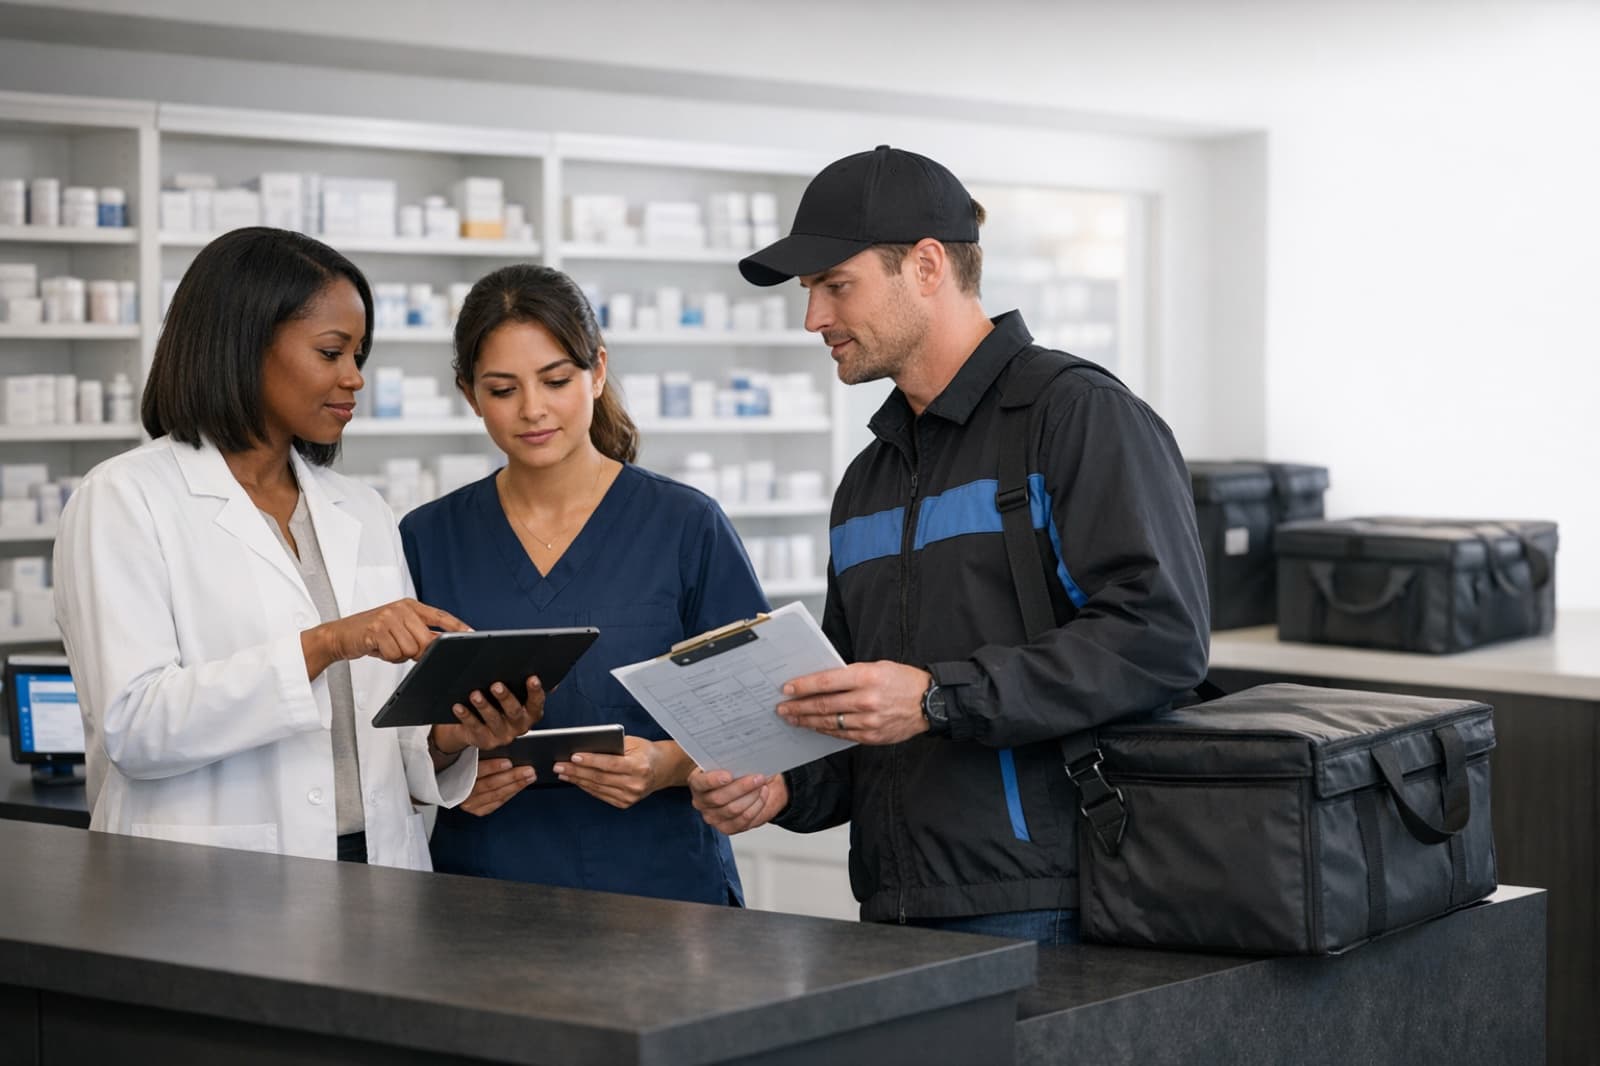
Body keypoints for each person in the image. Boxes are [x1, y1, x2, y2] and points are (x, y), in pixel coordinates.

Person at [687, 146, 1210, 944]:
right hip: (895, 907)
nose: (813, 319)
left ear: (926, 265)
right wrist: (784, 791)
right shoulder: (868, 479)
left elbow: (1161, 639)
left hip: (1054, 903)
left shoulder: (1076, 418)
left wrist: (938, 698)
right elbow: (859, 714)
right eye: (808, 293)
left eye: (836, 286)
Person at [53, 227, 536, 868]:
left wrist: (452, 738)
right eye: (331, 352)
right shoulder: (124, 499)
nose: (354, 378)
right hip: (208, 881)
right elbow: (134, 727)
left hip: (381, 866)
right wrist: (328, 642)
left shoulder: (358, 509)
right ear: (245, 344)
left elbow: (384, 728)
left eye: (359, 354)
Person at [399, 263, 766, 904]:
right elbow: (390, 735)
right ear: (469, 394)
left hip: (660, 892)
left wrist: (666, 767)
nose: (533, 410)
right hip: (483, 893)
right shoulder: (427, 538)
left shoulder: (684, 525)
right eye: (502, 389)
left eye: (556, 380)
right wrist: (447, 770)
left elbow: (756, 711)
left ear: (597, 371)